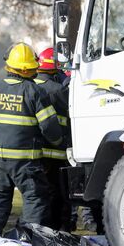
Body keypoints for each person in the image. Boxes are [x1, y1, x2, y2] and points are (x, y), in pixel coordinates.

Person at [0, 42, 63, 236]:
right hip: (25, 161)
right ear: (31, 69)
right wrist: (57, 142)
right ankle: (29, 242)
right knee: (34, 198)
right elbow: (50, 127)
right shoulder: (35, 92)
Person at [34, 47, 73, 232]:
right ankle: (61, 230)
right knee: (59, 194)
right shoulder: (58, 90)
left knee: (39, 194)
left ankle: (43, 229)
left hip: (35, 151)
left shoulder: (30, 87)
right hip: (57, 151)